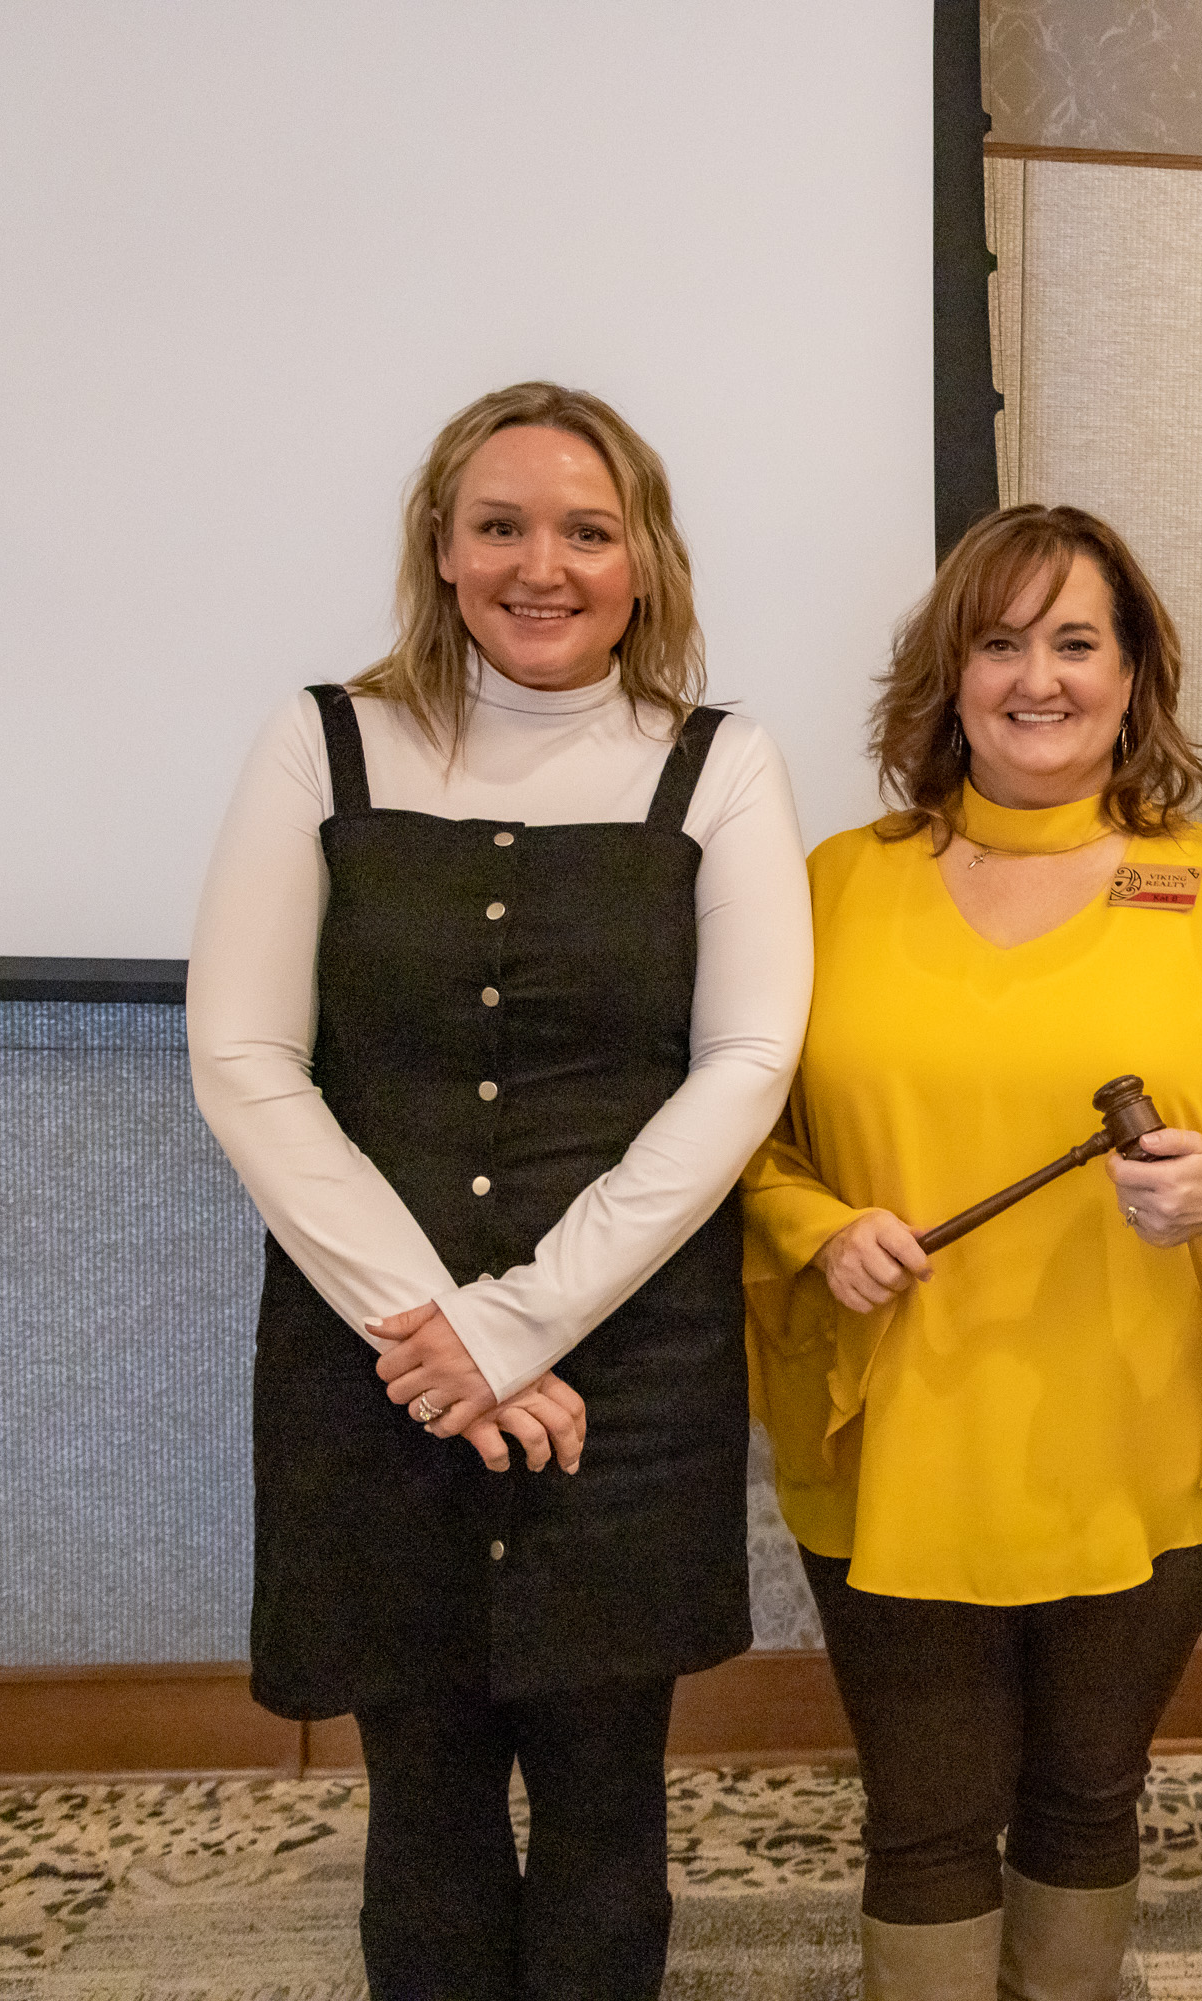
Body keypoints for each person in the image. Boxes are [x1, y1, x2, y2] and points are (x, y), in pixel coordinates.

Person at [187, 382, 811, 1999]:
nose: (545, 565)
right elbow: (245, 1056)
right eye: (502, 526)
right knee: (425, 1801)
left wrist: (519, 1323)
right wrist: (441, 1333)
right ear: (442, 549)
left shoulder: (723, 766)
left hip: (627, 1367)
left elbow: (744, 1066)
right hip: (373, 1359)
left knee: (608, 1799)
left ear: (643, 557)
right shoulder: (321, 740)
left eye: (588, 530)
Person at [741, 504, 1202, 2000]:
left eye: (1076, 642)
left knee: (1089, 1786)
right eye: (1000, 642)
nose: (1039, 678)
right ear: (949, 676)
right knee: (925, 1810)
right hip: (899, 1428)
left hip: (1144, 1435)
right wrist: (818, 1229)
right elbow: (740, 1133)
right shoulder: (828, 888)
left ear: (1133, 674)